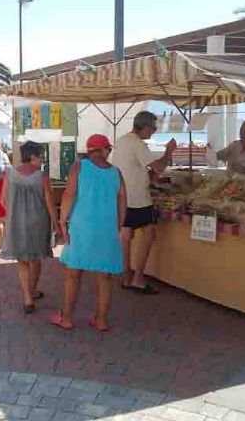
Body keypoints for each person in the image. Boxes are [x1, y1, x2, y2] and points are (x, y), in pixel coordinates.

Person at [50, 134, 126, 332]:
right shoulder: (116, 173)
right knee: (105, 275)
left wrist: (62, 221)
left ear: (90, 150)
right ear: (103, 149)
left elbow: (69, 195)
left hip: (81, 226)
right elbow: (122, 202)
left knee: (73, 273)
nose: (109, 153)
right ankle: (101, 320)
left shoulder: (79, 167)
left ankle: (66, 318)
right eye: (109, 149)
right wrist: (118, 226)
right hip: (107, 228)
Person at [112, 111, 176, 294]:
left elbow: (133, 167)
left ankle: (126, 276)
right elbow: (159, 167)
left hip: (122, 196)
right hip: (138, 198)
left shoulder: (123, 140)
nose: (154, 131)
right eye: (153, 128)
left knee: (126, 237)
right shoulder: (137, 143)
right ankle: (138, 278)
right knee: (149, 234)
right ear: (146, 126)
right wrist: (169, 151)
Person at [1, 141, 58, 314]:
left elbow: (2, 200)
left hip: (16, 222)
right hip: (38, 222)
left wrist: (14, 211)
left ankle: (27, 297)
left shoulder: (9, 174)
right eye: (41, 156)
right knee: (35, 258)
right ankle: (32, 291)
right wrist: (56, 223)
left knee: (22, 260)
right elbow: (50, 203)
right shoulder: (42, 177)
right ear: (32, 156)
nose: (42, 160)